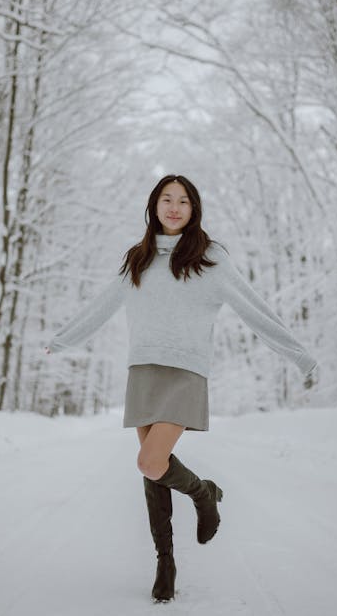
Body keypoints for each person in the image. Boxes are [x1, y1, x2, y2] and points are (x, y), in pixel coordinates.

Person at [46, 174, 317, 603]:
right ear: (153, 206)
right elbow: (102, 304)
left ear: (194, 209)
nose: (174, 207)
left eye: (184, 201)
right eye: (166, 200)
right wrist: (63, 339)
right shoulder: (139, 257)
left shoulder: (209, 258)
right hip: (144, 370)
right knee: (152, 469)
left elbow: (253, 307)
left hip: (185, 371)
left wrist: (299, 354)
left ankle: (204, 495)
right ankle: (165, 562)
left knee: (151, 462)